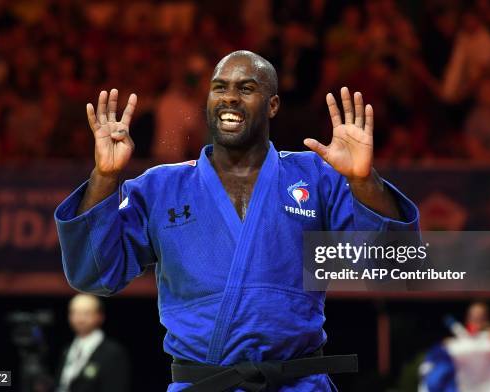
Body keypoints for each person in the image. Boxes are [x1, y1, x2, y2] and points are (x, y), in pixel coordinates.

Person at [54, 50, 419, 391]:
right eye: (219, 88)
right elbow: (95, 273)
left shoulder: (315, 177)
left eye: (246, 88)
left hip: (297, 382)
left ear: (273, 105)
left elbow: (394, 265)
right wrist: (104, 176)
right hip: (203, 383)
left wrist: (362, 180)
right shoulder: (161, 186)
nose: (229, 97)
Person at [55, 294, 130, 392]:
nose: (80, 319)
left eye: (86, 313)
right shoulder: (67, 349)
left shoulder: (113, 353)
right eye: (75, 313)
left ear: (100, 316)